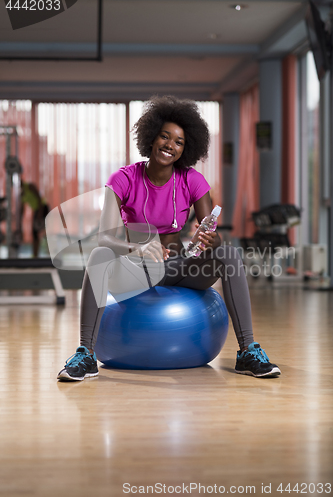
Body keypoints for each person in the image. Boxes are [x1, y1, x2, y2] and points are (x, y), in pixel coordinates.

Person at [57, 96, 281, 382]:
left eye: (179, 142)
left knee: (229, 254)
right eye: (165, 136)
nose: (170, 146)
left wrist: (210, 240)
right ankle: (86, 355)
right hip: (134, 270)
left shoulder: (192, 180)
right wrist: (138, 245)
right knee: (99, 256)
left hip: (178, 268)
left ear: (186, 149)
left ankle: (248, 351)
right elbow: (105, 238)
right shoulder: (124, 179)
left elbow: (211, 235)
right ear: (151, 137)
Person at [21, 180, 49, 257]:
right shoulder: (21, 193)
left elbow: (39, 199)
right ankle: (35, 255)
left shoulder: (30, 186)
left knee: (46, 233)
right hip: (36, 210)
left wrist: (39, 214)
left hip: (42, 209)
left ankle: (51, 254)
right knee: (35, 234)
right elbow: (22, 209)